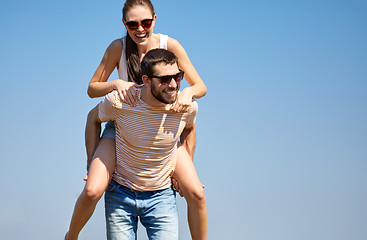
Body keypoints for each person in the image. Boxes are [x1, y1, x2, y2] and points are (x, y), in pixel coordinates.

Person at [65, 0, 207, 239]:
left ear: (154, 19)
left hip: (163, 125)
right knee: (94, 188)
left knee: (195, 191)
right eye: (132, 24)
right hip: (123, 122)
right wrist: (116, 83)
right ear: (124, 24)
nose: (140, 28)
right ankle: (71, 235)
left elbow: (200, 86)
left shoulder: (168, 46)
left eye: (146, 22)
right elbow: (91, 89)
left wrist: (187, 92)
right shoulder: (118, 47)